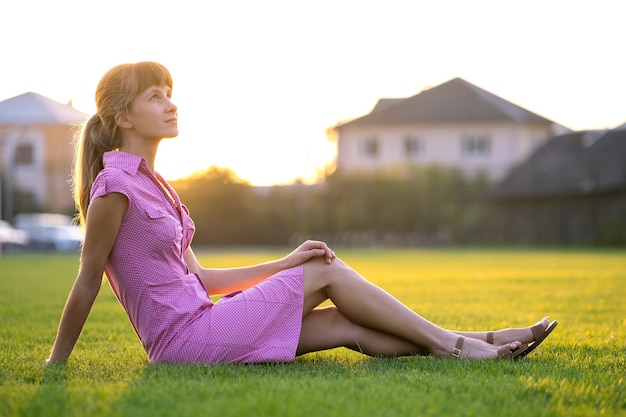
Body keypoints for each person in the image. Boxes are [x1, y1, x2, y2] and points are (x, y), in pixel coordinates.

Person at [46, 61, 557, 365]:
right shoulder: (114, 187)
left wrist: (283, 263)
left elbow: (202, 278)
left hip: (206, 319)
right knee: (325, 270)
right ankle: (458, 347)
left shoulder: (154, 186)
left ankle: (482, 342)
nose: (171, 104)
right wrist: (56, 362)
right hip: (184, 341)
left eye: (170, 95)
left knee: (341, 326)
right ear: (122, 116)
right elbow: (88, 281)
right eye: (155, 97)